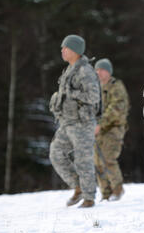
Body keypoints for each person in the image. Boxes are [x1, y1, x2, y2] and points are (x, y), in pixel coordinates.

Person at [49, 35, 101, 208]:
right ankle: (78, 186)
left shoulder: (85, 71)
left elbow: (94, 97)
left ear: (76, 51)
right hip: (67, 122)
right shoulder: (69, 70)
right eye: (62, 48)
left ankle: (89, 197)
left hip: (82, 123)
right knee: (56, 154)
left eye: (66, 48)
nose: (62, 51)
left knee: (83, 160)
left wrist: (73, 94)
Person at [94, 58, 130, 201]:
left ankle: (117, 189)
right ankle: (106, 193)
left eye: (102, 70)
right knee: (97, 162)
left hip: (113, 128)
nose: (99, 73)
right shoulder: (96, 89)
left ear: (108, 72)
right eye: (97, 70)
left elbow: (116, 108)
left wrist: (100, 124)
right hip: (98, 130)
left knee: (108, 158)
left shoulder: (116, 87)